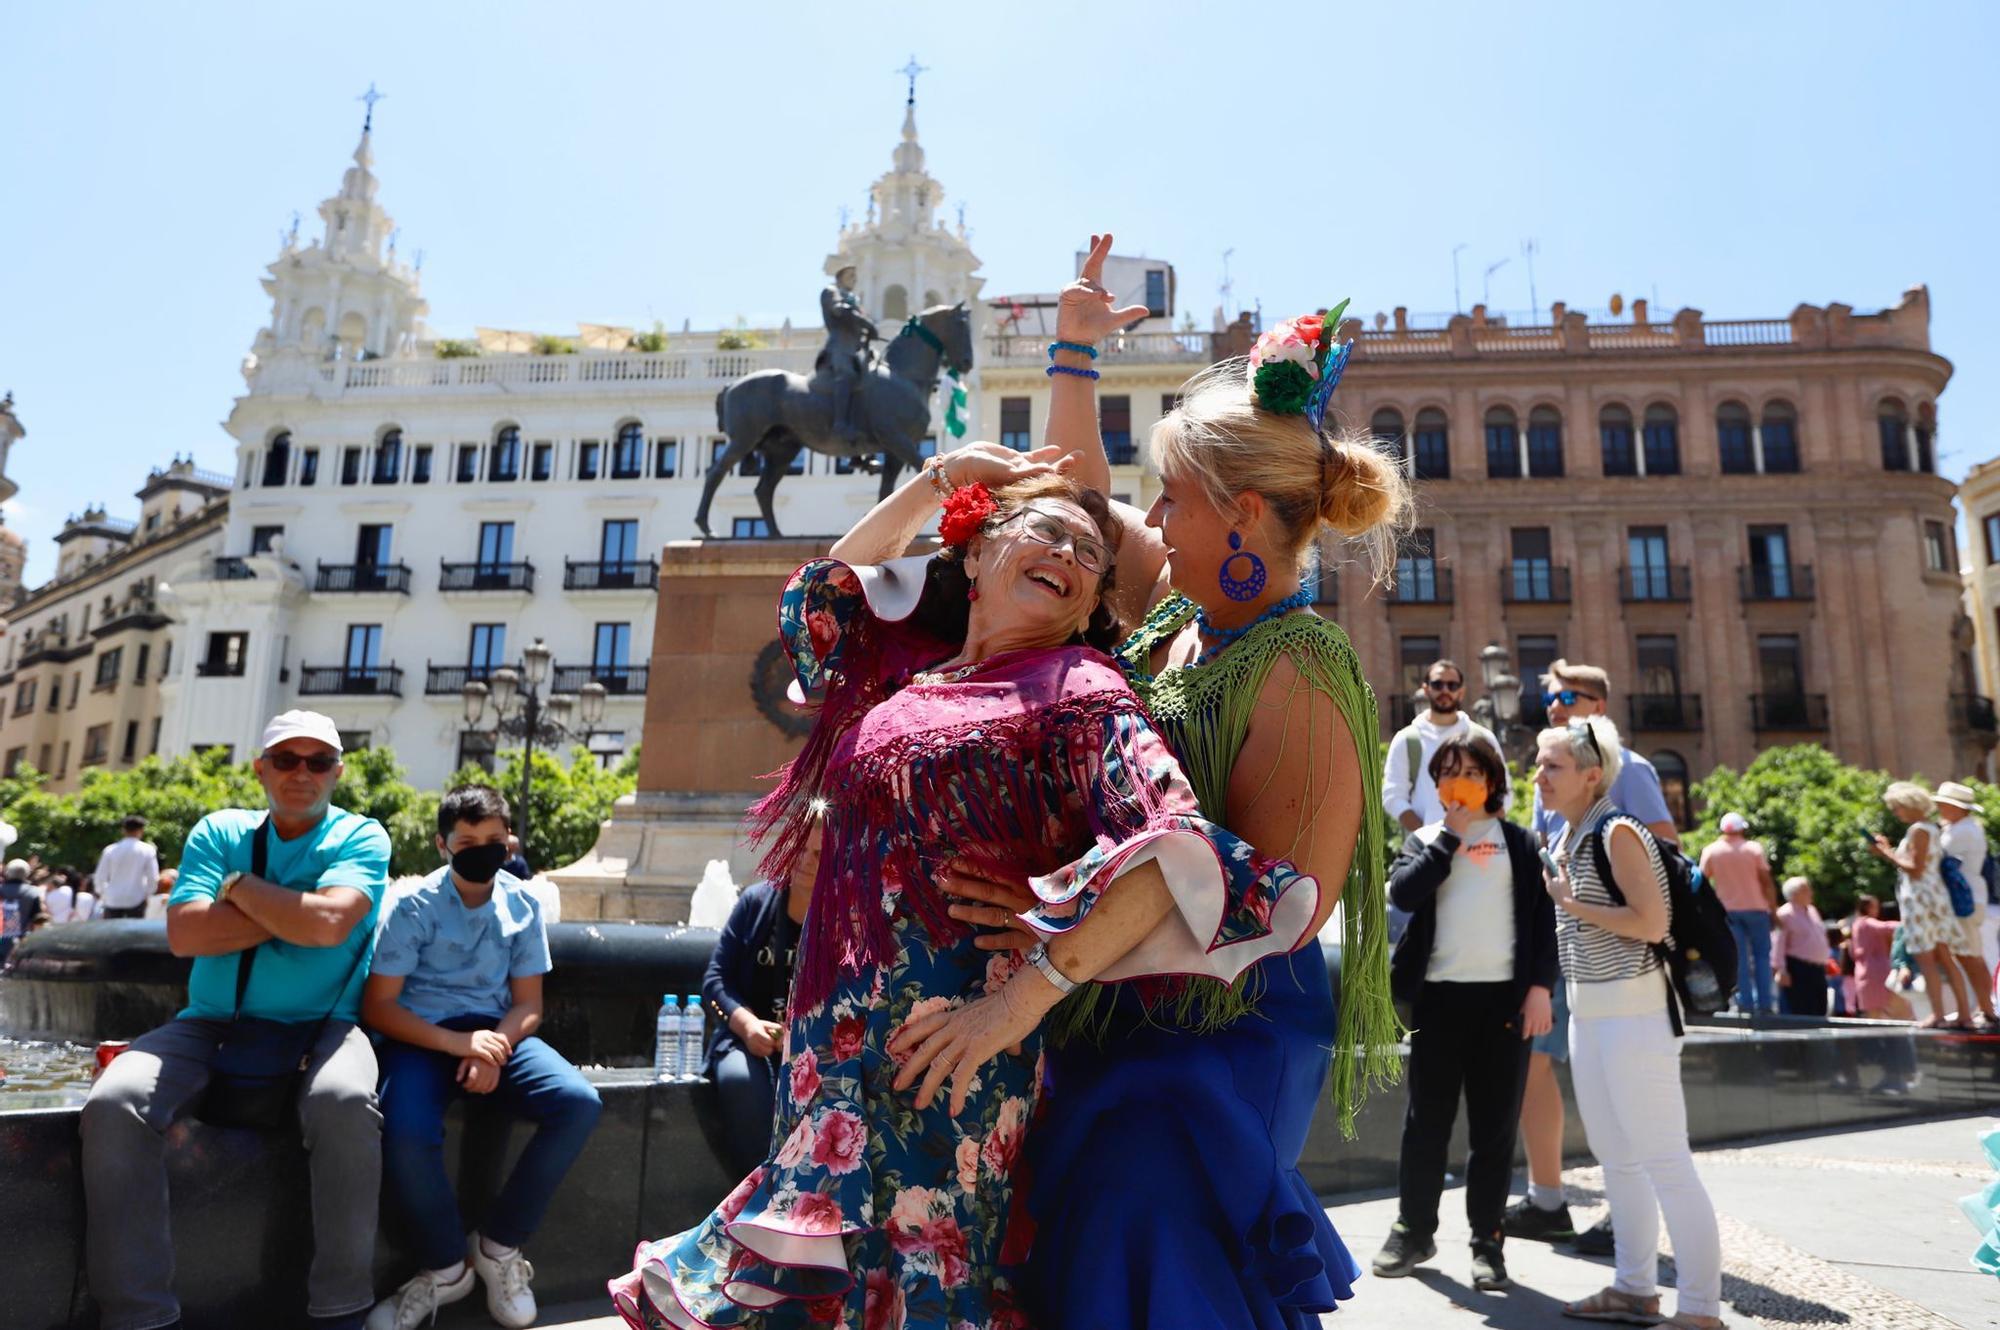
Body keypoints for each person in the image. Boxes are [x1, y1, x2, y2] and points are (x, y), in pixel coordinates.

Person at [817, 234, 1406, 1330]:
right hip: (1103, 1014)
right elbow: (1074, 501)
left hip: (1212, 1052)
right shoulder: (1181, 620)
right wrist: (1073, 355)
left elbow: (1284, 905)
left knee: (1146, 1274)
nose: (1150, 521)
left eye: (1169, 499)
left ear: (1234, 515)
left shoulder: (1302, 667)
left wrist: (1048, 942)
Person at [612, 469, 1340, 1330]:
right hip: (829, 1058)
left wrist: (1025, 996)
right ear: (978, 551)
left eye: (1090, 556)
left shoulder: (1083, 688)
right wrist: (938, 484)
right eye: (1046, 532)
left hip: (949, 1054)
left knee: (928, 1289)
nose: (1070, 555)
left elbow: (1173, 848)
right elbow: (818, 610)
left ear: (1088, 605)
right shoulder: (910, 674)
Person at [80, 710, 391, 1330]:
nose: (302, 773)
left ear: (338, 771)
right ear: (261, 769)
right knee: (114, 1103)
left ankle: (342, 1309)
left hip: (324, 1028)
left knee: (347, 1102)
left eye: (318, 761)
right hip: (209, 1024)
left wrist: (238, 889)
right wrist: (298, 915)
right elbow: (185, 932)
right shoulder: (219, 829)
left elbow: (331, 926)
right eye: (286, 759)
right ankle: (139, 1317)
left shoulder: (363, 835)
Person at [363, 784, 601, 1330]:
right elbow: (379, 1007)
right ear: (442, 844)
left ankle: (497, 1248)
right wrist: (458, 1045)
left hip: (496, 1034)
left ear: (509, 841)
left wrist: (494, 1046)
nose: (483, 849)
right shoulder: (412, 905)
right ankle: (447, 1267)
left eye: (494, 839)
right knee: (404, 1127)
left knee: (578, 1102)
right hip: (420, 1035)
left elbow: (528, 1005)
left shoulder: (522, 901)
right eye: (467, 840)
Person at [1537, 717, 1722, 1329]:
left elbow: (1651, 923)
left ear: (1592, 775)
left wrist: (1570, 903)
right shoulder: (1570, 833)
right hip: (1592, 1014)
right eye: (1539, 764)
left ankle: (1699, 1310)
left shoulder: (1617, 831)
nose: (1539, 775)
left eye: (1552, 766)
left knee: (1666, 1160)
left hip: (1635, 1014)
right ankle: (1635, 1288)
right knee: (1617, 1159)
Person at [1372, 736, 1557, 1292]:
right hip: (1438, 1000)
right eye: (1450, 772)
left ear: (1493, 780)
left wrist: (1540, 988)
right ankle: (1414, 1228)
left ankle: (1487, 1241)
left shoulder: (1520, 844)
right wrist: (1447, 839)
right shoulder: (1425, 839)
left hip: (1504, 1002)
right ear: (1434, 782)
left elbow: (1542, 920)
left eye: (1474, 771)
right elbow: (1402, 896)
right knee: (1426, 1123)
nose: (1462, 781)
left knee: (1494, 1128)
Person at [1509, 660, 1679, 1253]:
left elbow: (1664, 844)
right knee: (1536, 1063)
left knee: (1622, 1095)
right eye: (1548, 694)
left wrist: (1594, 894)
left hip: (1613, 957)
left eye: (1566, 695)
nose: (1552, 703)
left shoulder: (1625, 768)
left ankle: (1622, 1216)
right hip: (1559, 942)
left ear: (1598, 707)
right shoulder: (1551, 766)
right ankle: (1548, 1198)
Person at [698, 818, 820, 1179]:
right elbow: (715, 980)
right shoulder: (754, 902)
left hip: (814, 1048)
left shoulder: (844, 920)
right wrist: (748, 1024)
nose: (806, 860)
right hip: (745, 1042)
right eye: (800, 846)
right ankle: (751, 1200)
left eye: (819, 853)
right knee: (739, 1083)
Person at [1869, 781, 1975, 1029]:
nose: (1896, 813)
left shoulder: (1919, 830)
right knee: (1945, 959)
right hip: (1934, 900)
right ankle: (1962, 1015)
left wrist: (1885, 852)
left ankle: (1938, 1014)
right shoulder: (1930, 828)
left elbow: (1915, 869)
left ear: (1908, 805)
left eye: (1897, 808)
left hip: (1921, 903)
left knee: (1927, 960)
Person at [1381, 658, 1503, 834]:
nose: (1445, 690)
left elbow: (1502, 791)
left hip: (1480, 847)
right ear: (1426, 689)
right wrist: (1425, 836)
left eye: (1452, 685)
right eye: (1438, 684)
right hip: (1428, 852)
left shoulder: (1483, 738)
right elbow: (1393, 796)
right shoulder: (1406, 740)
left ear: (1461, 692)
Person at [1699, 812, 1779, 1016]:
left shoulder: (1711, 851)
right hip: (1757, 909)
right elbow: (1766, 882)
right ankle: (1765, 1004)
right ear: (1741, 828)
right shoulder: (1753, 849)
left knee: (1739, 959)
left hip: (1728, 912)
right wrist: (1773, 909)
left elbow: (1701, 882)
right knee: (1762, 957)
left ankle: (1745, 1004)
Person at [1934, 781, 1997, 1028]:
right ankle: (1980, 1009)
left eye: (1943, 803)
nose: (1938, 806)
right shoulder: (1959, 828)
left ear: (1955, 807)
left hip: (1966, 901)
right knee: (1967, 955)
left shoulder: (1964, 831)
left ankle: (1986, 1010)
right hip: (1966, 900)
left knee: (1971, 955)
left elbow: (1937, 859)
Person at [1773, 876, 1831, 1017]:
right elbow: (1777, 943)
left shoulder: (1812, 910)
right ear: (1794, 894)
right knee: (1800, 1012)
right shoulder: (1784, 914)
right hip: (1797, 969)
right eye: (1806, 890)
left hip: (1817, 969)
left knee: (1819, 1010)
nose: (1811, 893)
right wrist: (1781, 970)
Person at [95, 815, 161, 919]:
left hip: (112, 899)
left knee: (111, 934)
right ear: (141, 830)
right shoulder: (147, 850)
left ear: (123, 830)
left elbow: (100, 877)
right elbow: (153, 877)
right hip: (137, 899)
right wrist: (148, 894)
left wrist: (104, 894)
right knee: (135, 934)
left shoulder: (110, 850)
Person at [0, 858, 42, 962]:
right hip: (19, 942)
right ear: (27, 873)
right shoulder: (33, 893)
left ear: (7, 872)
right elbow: (37, 919)